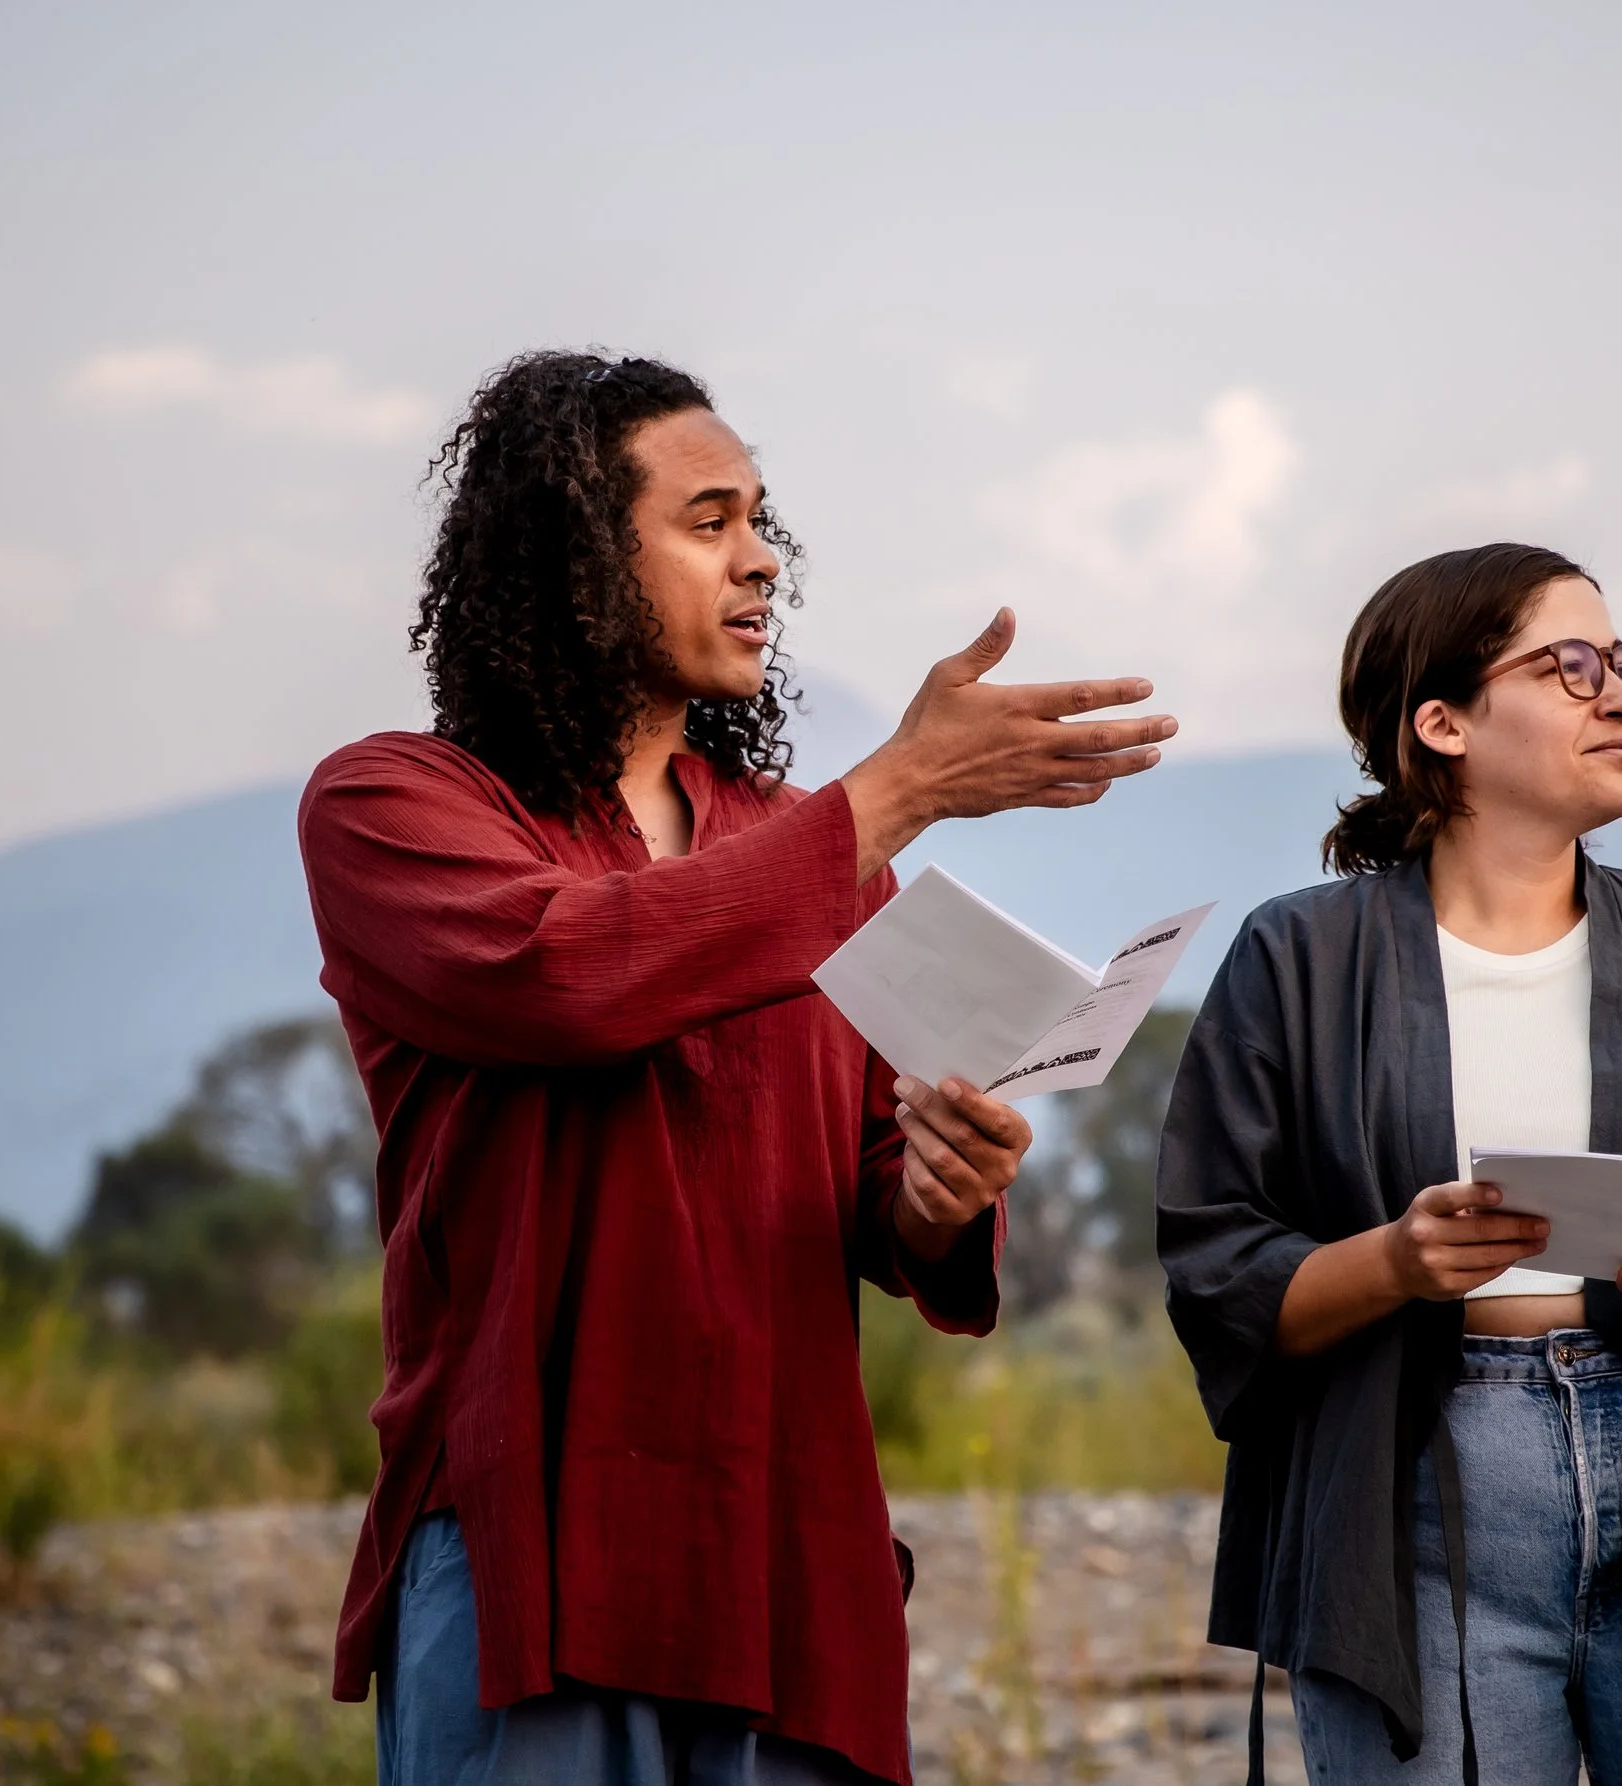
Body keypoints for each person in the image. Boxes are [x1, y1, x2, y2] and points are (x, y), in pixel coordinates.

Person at [297, 350, 1177, 1786]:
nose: (761, 560)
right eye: (709, 522)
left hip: (792, 1568)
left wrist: (945, 1187)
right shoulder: (395, 804)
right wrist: (903, 788)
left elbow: (877, 1201)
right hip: (541, 1559)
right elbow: (577, 970)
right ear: (573, 554)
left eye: (763, 522)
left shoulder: (808, 852)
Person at [1156, 544, 1622, 1785]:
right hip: (1414, 1508)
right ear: (1439, 721)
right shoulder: (1298, 959)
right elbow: (1216, 1260)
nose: (1616, 696)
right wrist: (1396, 1260)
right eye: (1568, 665)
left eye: (1620, 665)